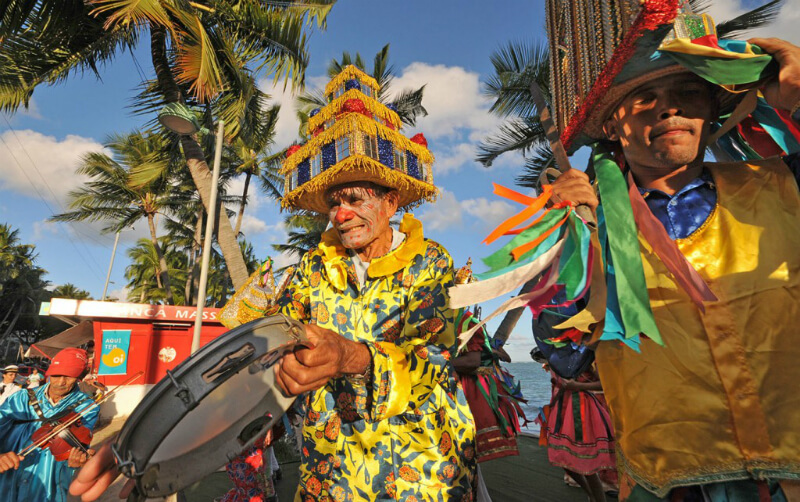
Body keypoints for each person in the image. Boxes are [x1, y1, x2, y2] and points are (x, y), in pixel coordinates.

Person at [70, 65, 476, 502]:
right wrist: (146, 443)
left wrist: (352, 357)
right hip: (332, 476)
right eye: (334, 202)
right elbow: (249, 362)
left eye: (355, 199)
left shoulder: (430, 262)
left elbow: (435, 361)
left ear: (391, 201)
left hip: (424, 471)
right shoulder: (311, 271)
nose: (341, 214)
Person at [540, 3, 800, 500]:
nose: (669, 108)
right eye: (644, 98)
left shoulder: (785, 183)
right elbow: (565, 355)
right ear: (612, 127)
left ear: (711, 111)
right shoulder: (585, 229)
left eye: (686, 93)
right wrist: (569, 240)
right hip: (670, 484)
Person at [0, 348, 99, 501]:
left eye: (69, 376)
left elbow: (79, 441)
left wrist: (77, 460)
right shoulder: (21, 398)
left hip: (48, 481)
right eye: (56, 375)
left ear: (78, 377)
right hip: (10, 478)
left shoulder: (86, 405)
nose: (61, 382)